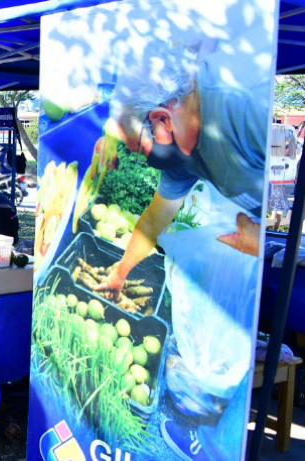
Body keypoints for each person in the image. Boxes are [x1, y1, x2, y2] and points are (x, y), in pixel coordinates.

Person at [97, 41, 268, 460]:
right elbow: (156, 219)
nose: (144, 159)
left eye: (139, 149)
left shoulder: (240, 108)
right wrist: (120, 272)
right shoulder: (177, 151)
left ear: (160, 120)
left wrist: (264, 238)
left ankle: (218, 447)